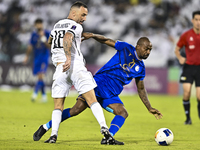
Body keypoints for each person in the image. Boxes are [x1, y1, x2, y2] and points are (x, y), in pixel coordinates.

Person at [33, 32, 163, 145]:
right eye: (146, 49)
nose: (148, 52)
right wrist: (93, 36)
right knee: (76, 110)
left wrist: (149, 107)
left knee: (122, 112)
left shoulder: (141, 68)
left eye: (150, 50)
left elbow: (141, 89)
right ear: (138, 46)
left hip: (111, 94)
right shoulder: (126, 48)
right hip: (98, 84)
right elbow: (107, 41)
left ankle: (109, 137)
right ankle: (45, 127)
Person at [43, 1, 114, 144]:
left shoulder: (57, 25)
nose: (84, 19)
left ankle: (53, 136)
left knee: (58, 106)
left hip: (59, 69)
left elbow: (50, 41)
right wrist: (68, 57)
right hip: (75, 66)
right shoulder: (76, 26)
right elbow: (68, 37)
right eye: (83, 15)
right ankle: (104, 128)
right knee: (92, 100)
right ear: (74, 13)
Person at [174, 10, 200, 125]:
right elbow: (176, 49)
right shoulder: (186, 35)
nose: (198, 22)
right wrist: (180, 57)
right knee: (187, 92)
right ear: (192, 20)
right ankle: (188, 118)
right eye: (196, 20)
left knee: (199, 96)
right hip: (188, 67)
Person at [23, 18, 50, 102]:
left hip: (44, 57)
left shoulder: (47, 33)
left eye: (40, 24)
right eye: (37, 24)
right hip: (36, 58)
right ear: (35, 25)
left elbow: (49, 46)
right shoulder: (33, 35)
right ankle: (44, 96)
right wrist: (26, 56)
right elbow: (30, 46)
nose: (39, 25)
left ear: (42, 24)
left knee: (40, 75)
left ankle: (34, 94)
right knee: (40, 77)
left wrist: (43, 38)